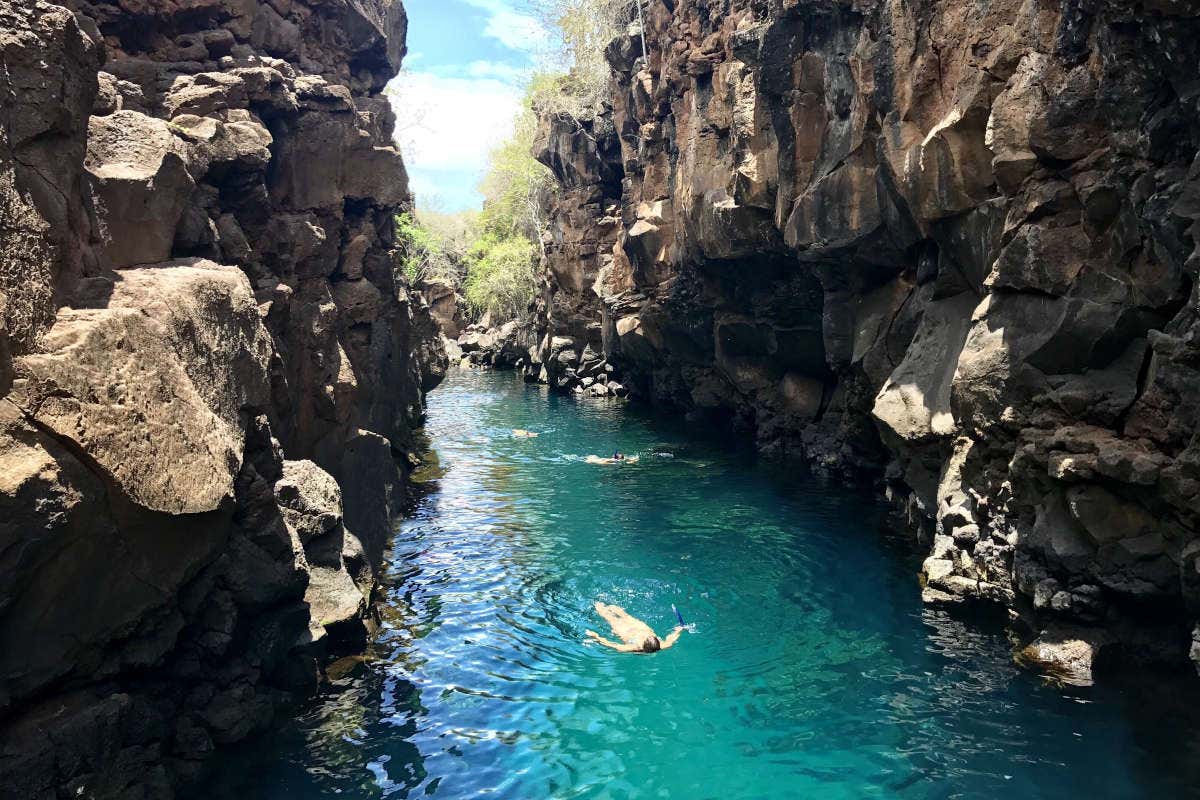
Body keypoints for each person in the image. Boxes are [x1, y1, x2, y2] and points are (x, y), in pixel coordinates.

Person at [585, 601, 684, 654]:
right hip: (640, 628)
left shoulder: (633, 647)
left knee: (611, 618)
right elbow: (671, 638)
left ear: (643, 645)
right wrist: (679, 630)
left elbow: (611, 645)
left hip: (626, 631)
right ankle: (610, 606)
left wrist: (595, 636)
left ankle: (598, 604)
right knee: (626, 616)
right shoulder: (662, 645)